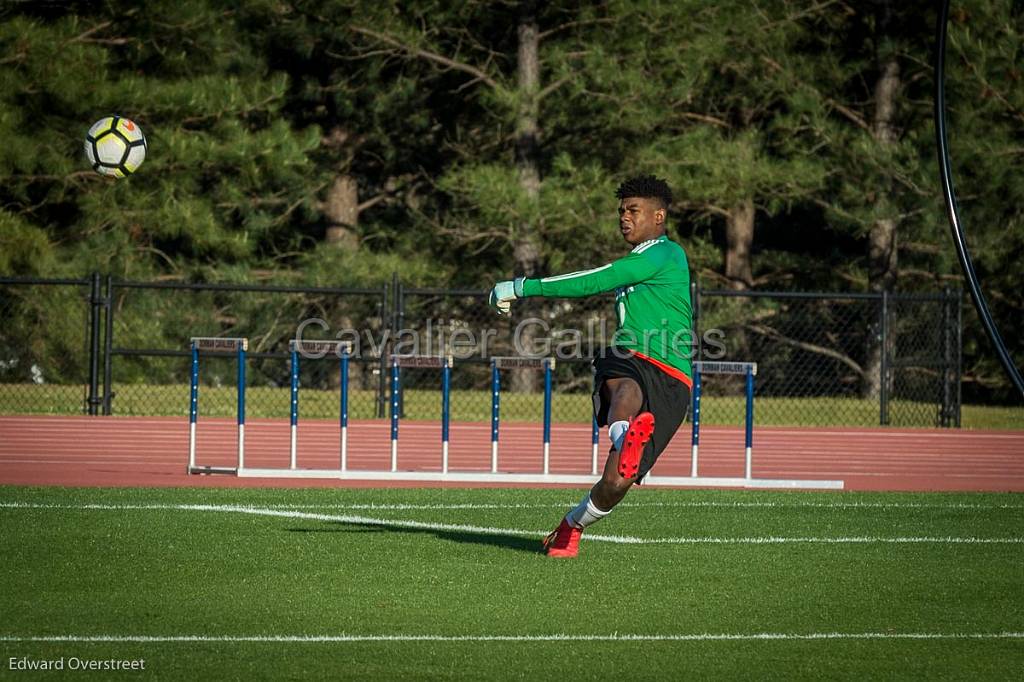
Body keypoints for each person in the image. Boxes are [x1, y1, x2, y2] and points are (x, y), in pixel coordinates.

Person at [488, 174, 693, 558]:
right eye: (621, 211)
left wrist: (521, 286)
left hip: (673, 376)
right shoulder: (645, 257)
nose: (624, 218)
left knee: (617, 481)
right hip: (631, 352)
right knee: (623, 387)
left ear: (659, 216)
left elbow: (597, 279)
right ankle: (624, 437)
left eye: (633, 210)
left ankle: (571, 526)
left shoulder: (665, 254)